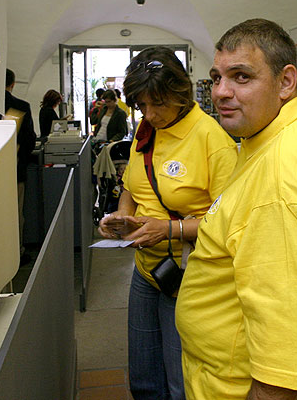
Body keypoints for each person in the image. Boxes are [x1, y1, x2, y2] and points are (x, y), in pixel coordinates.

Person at [175, 18, 297, 400]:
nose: (221, 92)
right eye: (217, 78)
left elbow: (287, 368)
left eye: (241, 77)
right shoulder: (272, 139)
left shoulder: (286, 174)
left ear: (286, 82)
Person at [98, 46, 238, 400]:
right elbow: (132, 186)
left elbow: (226, 221)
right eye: (142, 105)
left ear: (181, 93)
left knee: (180, 380)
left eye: (158, 103)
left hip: (190, 273)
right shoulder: (147, 131)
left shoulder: (211, 140)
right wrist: (121, 217)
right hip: (146, 271)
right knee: (144, 376)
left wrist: (170, 229)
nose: (151, 114)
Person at [5, 69, 37, 263]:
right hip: (15, 171)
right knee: (15, 215)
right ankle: (16, 254)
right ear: (13, 84)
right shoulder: (20, 106)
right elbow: (29, 140)